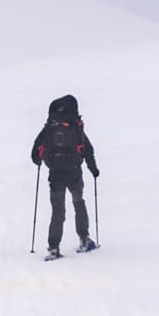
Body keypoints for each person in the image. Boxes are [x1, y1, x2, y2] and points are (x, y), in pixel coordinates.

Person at [31, 94, 99, 259]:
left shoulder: (49, 128)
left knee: (57, 211)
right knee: (78, 203)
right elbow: (87, 149)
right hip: (74, 173)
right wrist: (93, 169)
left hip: (55, 175)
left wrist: (40, 160)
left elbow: (34, 156)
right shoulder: (75, 126)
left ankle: (53, 248)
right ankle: (84, 239)